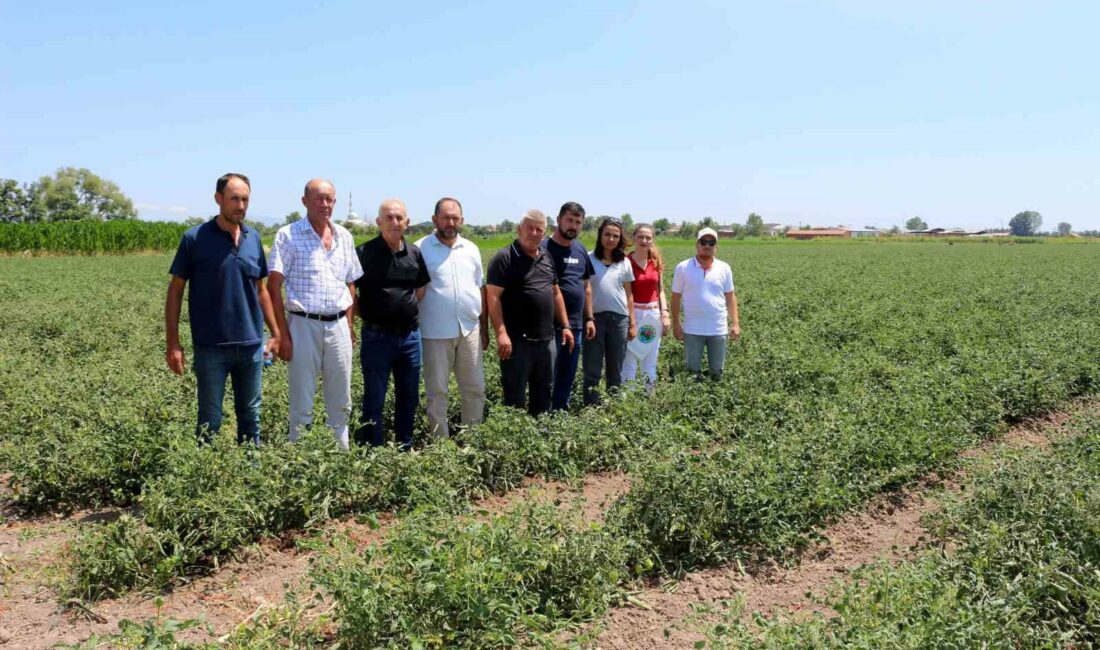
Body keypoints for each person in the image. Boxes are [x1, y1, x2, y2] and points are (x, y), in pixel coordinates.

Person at [165, 173, 279, 445]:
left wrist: (275, 332)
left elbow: (261, 290)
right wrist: (173, 344)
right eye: (234, 199)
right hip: (211, 347)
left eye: (245, 199)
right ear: (218, 199)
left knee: (251, 417)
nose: (241, 206)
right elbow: (175, 291)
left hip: (251, 345)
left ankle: (250, 477)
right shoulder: (195, 238)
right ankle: (206, 482)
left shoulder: (253, 238)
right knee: (210, 420)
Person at [268, 179, 363, 449]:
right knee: (302, 403)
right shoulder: (288, 235)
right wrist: (282, 334)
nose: (325, 204)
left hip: (338, 326)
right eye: (319, 198)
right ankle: (301, 466)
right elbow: (273, 286)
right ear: (305, 201)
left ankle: (341, 462)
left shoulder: (344, 236)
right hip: (302, 324)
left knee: (341, 402)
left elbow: (350, 282)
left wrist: (349, 324)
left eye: (330, 199)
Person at [354, 198, 430, 448]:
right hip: (377, 338)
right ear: (379, 222)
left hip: (409, 337)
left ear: (406, 222)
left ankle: (404, 447)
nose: (394, 222)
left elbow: (420, 290)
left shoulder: (414, 254)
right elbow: (350, 294)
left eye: (399, 218)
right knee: (374, 397)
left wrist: (401, 309)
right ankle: (372, 451)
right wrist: (372, 313)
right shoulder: (365, 253)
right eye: (389, 217)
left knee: (408, 397)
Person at [486, 210, 575, 416]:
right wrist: (501, 332)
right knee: (515, 396)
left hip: (546, 340)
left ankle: (540, 439)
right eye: (530, 228)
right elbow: (493, 297)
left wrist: (566, 326)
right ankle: (515, 442)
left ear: (543, 234)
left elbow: (555, 292)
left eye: (539, 230)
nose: (534, 233)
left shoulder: (546, 257)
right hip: (517, 342)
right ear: (519, 229)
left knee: (544, 394)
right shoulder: (504, 258)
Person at [414, 197, 488, 439]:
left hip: (469, 329)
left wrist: (484, 328)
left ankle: (471, 439)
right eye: (445, 217)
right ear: (435, 219)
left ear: (462, 220)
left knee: (475, 388)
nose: (451, 222)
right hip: (434, 332)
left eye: (455, 218)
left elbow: (480, 288)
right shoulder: (420, 248)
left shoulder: (471, 249)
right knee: (437, 391)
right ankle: (440, 445)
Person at [540, 202, 595, 411]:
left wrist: (589, 318)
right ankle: (544, 417)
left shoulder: (580, 249)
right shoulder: (543, 249)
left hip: (576, 325)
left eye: (578, 222)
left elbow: (586, 286)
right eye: (570, 220)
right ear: (559, 220)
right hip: (550, 326)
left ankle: (560, 413)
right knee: (547, 376)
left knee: (568, 373)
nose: (573, 226)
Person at [670, 227, 741, 380]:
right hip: (692, 330)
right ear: (697, 244)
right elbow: (675, 297)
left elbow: (730, 297)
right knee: (692, 372)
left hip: (718, 329)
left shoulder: (724, 268)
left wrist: (735, 323)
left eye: (711, 242)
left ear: (716, 246)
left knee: (717, 373)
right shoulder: (683, 267)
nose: (707, 246)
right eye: (703, 242)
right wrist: (676, 324)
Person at [582, 218, 636, 404]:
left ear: (620, 239)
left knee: (615, 368)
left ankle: (614, 407)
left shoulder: (624, 262)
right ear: (600, 235)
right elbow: (585, 289)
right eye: (607, 234)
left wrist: (632, 323)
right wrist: (588, 317)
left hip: (619, 319)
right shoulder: (588, 258)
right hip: (594, 319)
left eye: (615, 236)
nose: (611, 239)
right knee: (592, 368)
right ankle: (591, 406)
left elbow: (629, 295)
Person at [621, 223, 670, 390]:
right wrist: (630, 320)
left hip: (653, 315)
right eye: (640, 236)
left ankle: (649, 400)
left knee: (650, 362)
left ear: (652, 240)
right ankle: (627, 404)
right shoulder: (625, 261)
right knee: (630, 362)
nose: (644, 240)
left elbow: (660, 290)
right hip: (633, 315)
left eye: (648, 237)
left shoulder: (655, 262)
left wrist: (665, 313)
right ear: (633, 238)